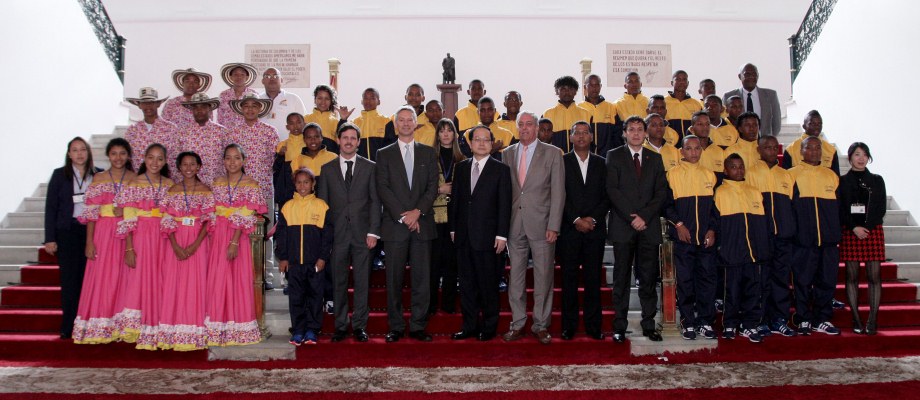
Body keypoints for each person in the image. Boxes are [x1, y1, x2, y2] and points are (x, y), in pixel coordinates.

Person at [375, 106, 440, 343]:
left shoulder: (428, 153)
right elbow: (383, 188)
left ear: (416, 123)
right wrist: (404, 216)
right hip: (395, 226)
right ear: (395, 125)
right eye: (400, 120)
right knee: (394, 279)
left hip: (422, 224)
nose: (405, 124)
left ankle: (418, 326)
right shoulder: (384, 154)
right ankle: (395, 326)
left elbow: (432, 187)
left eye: (409, 120)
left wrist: (417, 212)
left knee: (422, 279)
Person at [501, 111, 565, 345]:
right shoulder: (507, 154)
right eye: (521, 125)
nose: (525, 128)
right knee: (515, 279)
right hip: (514, 225)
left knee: (543, 277)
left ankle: (540, 324)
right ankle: (517, 323)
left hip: (543, 226)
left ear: (537, 128)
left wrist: (554, 225)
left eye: (529, 124)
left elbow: (558, 192)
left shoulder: (552, 153)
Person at [317, 123, 381, 343]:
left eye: (353, 138)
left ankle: (360, 326)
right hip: (337, 236)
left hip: (364, 235)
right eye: (345, 137)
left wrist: (374, 231)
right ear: (338, 140)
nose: (349, 141)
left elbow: (375, 202)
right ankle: (341, 325)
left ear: (359, 142)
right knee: (339, 282)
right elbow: (323, 207)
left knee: (363, 282)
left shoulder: (371, 167)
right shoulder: (327, 169)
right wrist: (325, 239)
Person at [606, 116, 667, 343]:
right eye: (631, 129)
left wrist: (645, 217)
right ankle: (620, 326)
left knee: (649, 278)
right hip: (624, 226)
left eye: (640, 129)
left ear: (645, 133)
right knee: (621, 278)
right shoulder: (614, 156)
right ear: (624, 133)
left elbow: (661, 192)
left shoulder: (655, 158)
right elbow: (612, 190)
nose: (636, 133)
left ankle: (649, 324)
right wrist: (633, 217)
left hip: (648, 227)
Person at [449, 125, 512, 342]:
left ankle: (488, 327)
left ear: (492, 143)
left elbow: (505, 205)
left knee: (488, 285)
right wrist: (453, 229)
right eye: (477, 139)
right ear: (470, 143)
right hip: (464, 237)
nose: (482, 143)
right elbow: (456, 201)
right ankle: (469, 326)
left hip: (489, 238)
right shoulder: (462, 167)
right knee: (466, 285)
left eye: (486, 139)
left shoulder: (501, 169)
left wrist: (502, 235)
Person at [72, 138, 135, 344]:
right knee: (103, 277)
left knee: (125, 277)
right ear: (108, 155)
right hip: (104, 232)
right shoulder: (99, 178)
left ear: (128, 156)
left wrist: (125, 210)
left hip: (128, 233)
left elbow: (140, 209)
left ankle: (123, 327)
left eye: (122, 153)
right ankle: (100, 326)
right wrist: (89, 242)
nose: (118, 158)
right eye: (114, 153)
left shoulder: (135, 179)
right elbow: (91, 214)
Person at [115, 143, 174, 349]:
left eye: (159, 158)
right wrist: (129, 247)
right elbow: (128, 216)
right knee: (139, 279)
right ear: (144, 159)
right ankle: (138, 327)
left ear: (165, 161)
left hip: (163, 237)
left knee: (161, 278)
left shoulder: (169, 185)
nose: (154, 162)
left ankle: (159, 325)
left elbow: (172, 214)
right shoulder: (134, 183)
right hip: (141, 236)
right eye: (151, 157)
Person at [206, 144, 265, 346]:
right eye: (228, 158)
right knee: (218, 279)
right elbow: (211, 211)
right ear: (223, 161)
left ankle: (238, 328)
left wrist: (233, 241)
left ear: (244, 161)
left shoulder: (251, 184)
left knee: (238, 279)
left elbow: (247, 213)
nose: (232, 162)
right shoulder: (216, 183)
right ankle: (218, 328)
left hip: (237, 235)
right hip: (218, 234)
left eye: (237, 158)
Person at [44, 137, 100, 340]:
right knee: (69, 281)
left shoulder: (99, 174)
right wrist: (49, 238)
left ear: (88, 152)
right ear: (69, 154)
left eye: (83, 149)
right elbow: (51, 207)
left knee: (91, 280)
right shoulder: (60, 175)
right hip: (67, 231)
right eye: (75, 150)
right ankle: (68, 325)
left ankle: (90, 325)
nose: (79, 154)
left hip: (92, 232)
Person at [559, 121, 609, 341]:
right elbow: (559, 195)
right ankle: (569, 326)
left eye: (584, 133)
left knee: (592, 281)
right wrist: (577, 219)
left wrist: (592, 219)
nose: (580, 136)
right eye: (576, 133)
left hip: (595, 230)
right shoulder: (561, 162)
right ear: (570, 138)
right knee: (568, 280)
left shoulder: (602, 163)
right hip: (569, 230)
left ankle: (593, 326)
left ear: (591, 137)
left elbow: (607, 196)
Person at [664, 135, 718, 340]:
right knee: (685, 281)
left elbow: (715, 208)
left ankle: (705, 321)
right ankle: (688, 322)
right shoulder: (672, 174)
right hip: (683, 239)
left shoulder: (710, 175)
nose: (694, 152)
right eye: (689, 148)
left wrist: (712, 229)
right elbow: (667, 205)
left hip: (706, 240)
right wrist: (678, 225)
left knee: (707, 280)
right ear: (682, 152)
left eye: (697, 148)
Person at [157, 152, 212, 351]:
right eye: (184, 164)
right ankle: (173, 330)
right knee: (175, 283)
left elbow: (208, 221)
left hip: (198, 242)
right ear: (179, 167)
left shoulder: (206, 191)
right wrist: (175, 245)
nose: (188, 168)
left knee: (197, 284)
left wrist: (196, 244)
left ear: (199, 167)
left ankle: (196, 331)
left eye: (192, 164)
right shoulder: (172, 190)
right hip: (176, 241)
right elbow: (166, 220)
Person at [715, 154, 771, 343]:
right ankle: (729, 324)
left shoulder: (755, 191)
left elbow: (762, 223)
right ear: (725, 170)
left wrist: (762, 247)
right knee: (732, 291)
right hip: (731, 252)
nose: (738, 170)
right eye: (733, 167)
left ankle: (749, 325)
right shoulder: (720, 192)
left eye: (741, 167)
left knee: (753, 290)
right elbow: (717, 223)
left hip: (754, 252)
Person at [746, 135, 798, 337]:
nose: (770, 150)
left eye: (773, 147)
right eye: (766, 147)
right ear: (758, 150)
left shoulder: (786, 175)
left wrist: (789, 229)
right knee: (760, 280)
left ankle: (779, 319)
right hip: (760, 237)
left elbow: (791, 206)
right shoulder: (750, 173)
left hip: (783, 237)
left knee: (781, 279)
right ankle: (760, 320)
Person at [789, 137, 842, 336]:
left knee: (826, 280)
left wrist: (835, 233)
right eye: (808, 148)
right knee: (802, 281)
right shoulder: (791, 175)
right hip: (803, 241)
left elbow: (838, 208)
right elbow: (789, 209)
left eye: (817, 148)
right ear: (801, 151)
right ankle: (803, 318)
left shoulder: (831, 176)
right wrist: (797, 234)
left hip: (828, 241)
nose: (813, 151)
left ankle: (823, 319)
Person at [276, 168, 333, 345]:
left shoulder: (321, 206)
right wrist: (283, 258)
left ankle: (312, 330)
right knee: (296, 298)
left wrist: (323, 258)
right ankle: (298, 330)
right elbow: (281, 235)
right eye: (299, 182)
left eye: (306, 182)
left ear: (313, 184)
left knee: (315, 297)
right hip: (294, 264)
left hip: (315, 263)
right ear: (295, 184)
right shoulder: (287, 207)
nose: (302, 186)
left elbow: (327, 236)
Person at [839, 142, 887, 335]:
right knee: (852, 277)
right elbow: (841, 209)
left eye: (864, 155)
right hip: (850, 231)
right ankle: (856, 319)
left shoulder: (877, 180)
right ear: (850, 157)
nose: (861, 158)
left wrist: (865, 228)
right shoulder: (842, 181)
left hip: (872, 231)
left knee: (874, 277)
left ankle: (873, 320)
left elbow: (880, 208)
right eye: (857, 154)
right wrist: (854, 227)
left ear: (869, 158)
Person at [427, 118, 465, 316]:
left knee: (452, 263)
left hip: (455, 217)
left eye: (450, 130)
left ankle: (449, 305)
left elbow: (469, 191)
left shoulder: (463, 159)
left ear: (455, 134)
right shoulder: (428, 157)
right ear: (437, 134)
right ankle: (431, 304)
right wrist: (440, 189)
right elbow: (421, 188)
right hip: (433, 217)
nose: (446, 134)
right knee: (433, 264)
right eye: (442, 130)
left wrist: (455, 190)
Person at [228, 93, 280, 202]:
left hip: (263, 185)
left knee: (265, 219)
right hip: (239, 187)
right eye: (246, 106)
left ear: (260, 108)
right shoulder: (233, 132)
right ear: (241, 109)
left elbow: (276, 160)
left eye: (254, 106)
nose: (250, 109)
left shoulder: (270, 131)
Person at [124, 87, 179, 175]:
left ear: (158, 104)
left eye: (151, 103)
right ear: (139, 105)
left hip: (164, 180)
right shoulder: (132, 130)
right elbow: (128, 158)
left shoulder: (171, 129)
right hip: (139, 182)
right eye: (144, 103)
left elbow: (175, 156)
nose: (148, 106)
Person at [179, 92, 229, 186]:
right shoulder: (182, 133)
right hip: (191, 187)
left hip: (217, 186)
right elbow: (177, 161)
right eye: (196, 107)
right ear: (192, 110)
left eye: (203, 106)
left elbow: (229, 160)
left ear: (209, 108)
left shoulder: (222, 132)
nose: (199, 110)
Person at [722, 63, 782, 136]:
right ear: (739, 76)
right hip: (737, 143)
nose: (751, 76)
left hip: (763, 143)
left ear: (758, 75)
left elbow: (777, 122)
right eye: (747, 74)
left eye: (754, 74)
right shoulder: (728, 96)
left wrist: (768, 138)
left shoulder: (771, 95)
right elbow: (724, 121)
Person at [543, 76, 592, 153]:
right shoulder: (547, 114)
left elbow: (591, 141)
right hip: (555, 159)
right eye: (563, 89)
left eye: (570, 89)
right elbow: (543, 141)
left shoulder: (586, 114)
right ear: (556, 91)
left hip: (579, 159)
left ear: (575, 91)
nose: (567, 92)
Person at [782, 110, 841, 175]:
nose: (817, 126)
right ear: (804, 126)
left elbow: (836, 178)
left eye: (819, 124)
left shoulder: (831, 150)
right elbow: (786, 178)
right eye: (812, 124)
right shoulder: (791, 150)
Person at [259, 67, 306, 139]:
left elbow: (304, 124)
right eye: (267, 76)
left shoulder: (293, 99)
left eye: (275, 76)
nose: (272, 79)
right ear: (262, 81)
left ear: (281, 80)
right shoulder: (257, 100)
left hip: (289, 146)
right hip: (263, 146)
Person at [580, 74, 620, 156]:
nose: (594, 88)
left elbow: (617, 134)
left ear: (600, 86)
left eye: (597, 85)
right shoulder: (579, 108)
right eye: (591, 85)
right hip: (585, 157)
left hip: (607, 157)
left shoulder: (611, 107)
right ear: (585, 87)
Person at [273, 113, 307, 205]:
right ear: (287, 127)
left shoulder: (308, 143)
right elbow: (276, 168)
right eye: (292, 123)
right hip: (287, 184)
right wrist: (280, 155)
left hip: (305, 182)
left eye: (299, 122)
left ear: (304, 124)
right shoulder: (282, 145)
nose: (295, 126)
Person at [305, 84, 348, 153]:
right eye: (320, 98)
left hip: (330, 160)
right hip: (309, 159)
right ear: (315, 100)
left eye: (327, 99)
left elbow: (343, 142)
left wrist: (343, 120)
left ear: (331, 101)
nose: (323, 102)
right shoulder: (305, 119)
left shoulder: (336, 122)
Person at [353, 88, 395, 160]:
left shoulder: (386, 121)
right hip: (361, 167)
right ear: (362, 101)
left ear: (378, 101)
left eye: (372, 98)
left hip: (381, 166)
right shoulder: (354, 123)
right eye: (365, 98)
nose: (368, 101)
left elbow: (392, 145)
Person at [217, 63, 259, 128]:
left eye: (242, 74)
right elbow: (220, 118)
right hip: (227, 134)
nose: (239, 77)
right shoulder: (223, 95)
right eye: (235, 74)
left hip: (248, 134)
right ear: (231, 77)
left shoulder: (254, 94)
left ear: (247, 77)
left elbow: (258, 116)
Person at [665, 70, 703, 139]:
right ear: (672, 83)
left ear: (688, 83)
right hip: (669, 145)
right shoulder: (664, 102)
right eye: (678, 79)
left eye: (684, 79)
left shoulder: (696, 104)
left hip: (690, 145)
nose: (681, 82)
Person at [687, 111, 726, 176]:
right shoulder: (685, 152)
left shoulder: (720, 151)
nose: (705, 127)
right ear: (692, 128)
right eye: (700, 124)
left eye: (707, 124)